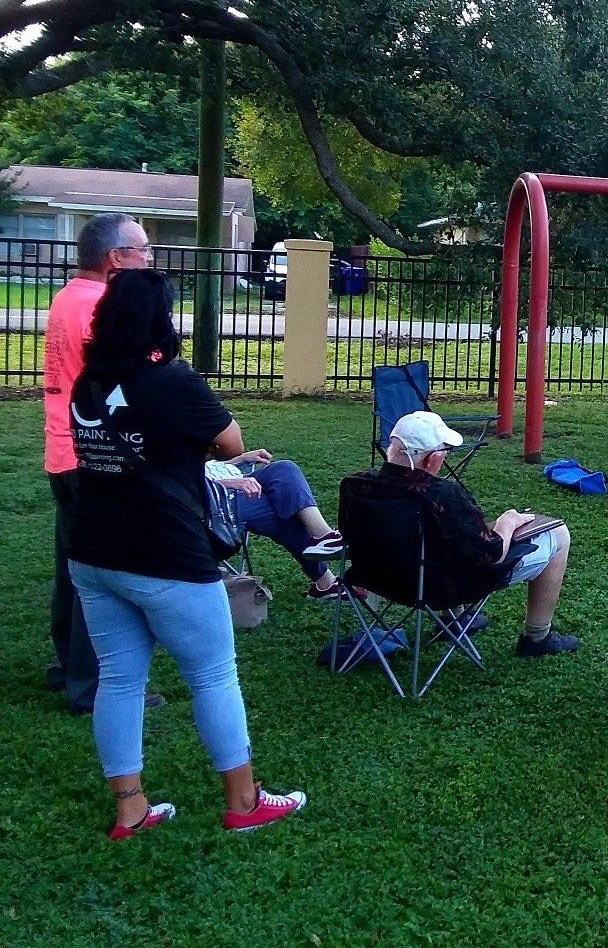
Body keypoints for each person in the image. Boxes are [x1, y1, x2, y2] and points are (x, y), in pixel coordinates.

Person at [66, 269, 305, 839]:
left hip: (93, 551)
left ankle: (131, 810)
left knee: (119, 679)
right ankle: (244, 803)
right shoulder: (172, 382)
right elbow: (232, 442)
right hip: (164, 553)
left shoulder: (87, 385)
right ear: (160, 321)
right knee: (213, 673)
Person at [42, 211, 162, 715]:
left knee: (73, 566)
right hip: (96, 456)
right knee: (100, 576)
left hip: (64, 449)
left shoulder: (68, 297)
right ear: (117, 258)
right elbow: (140, 371)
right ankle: (90, 686)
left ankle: (67, 665)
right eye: (144, 250)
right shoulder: (100, 307)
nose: (150, 258)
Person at [341, 411, 579, 656]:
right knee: (558, 534)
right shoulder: (441, 495)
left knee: (441, 540)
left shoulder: (356, 486)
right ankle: (537, 638)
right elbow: (490, 555)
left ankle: (453, 621)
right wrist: (507, 523)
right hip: (441, 590)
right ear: (432, 459)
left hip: (378, 579)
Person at [204, 452, 346, 598]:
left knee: (284, 468)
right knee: (280, 509)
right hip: (209, 502)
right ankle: (326, 565)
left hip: (223, 484)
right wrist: (228, 483)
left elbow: (205, 468)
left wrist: (241, 459)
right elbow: (189, 483)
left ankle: (324, 541)